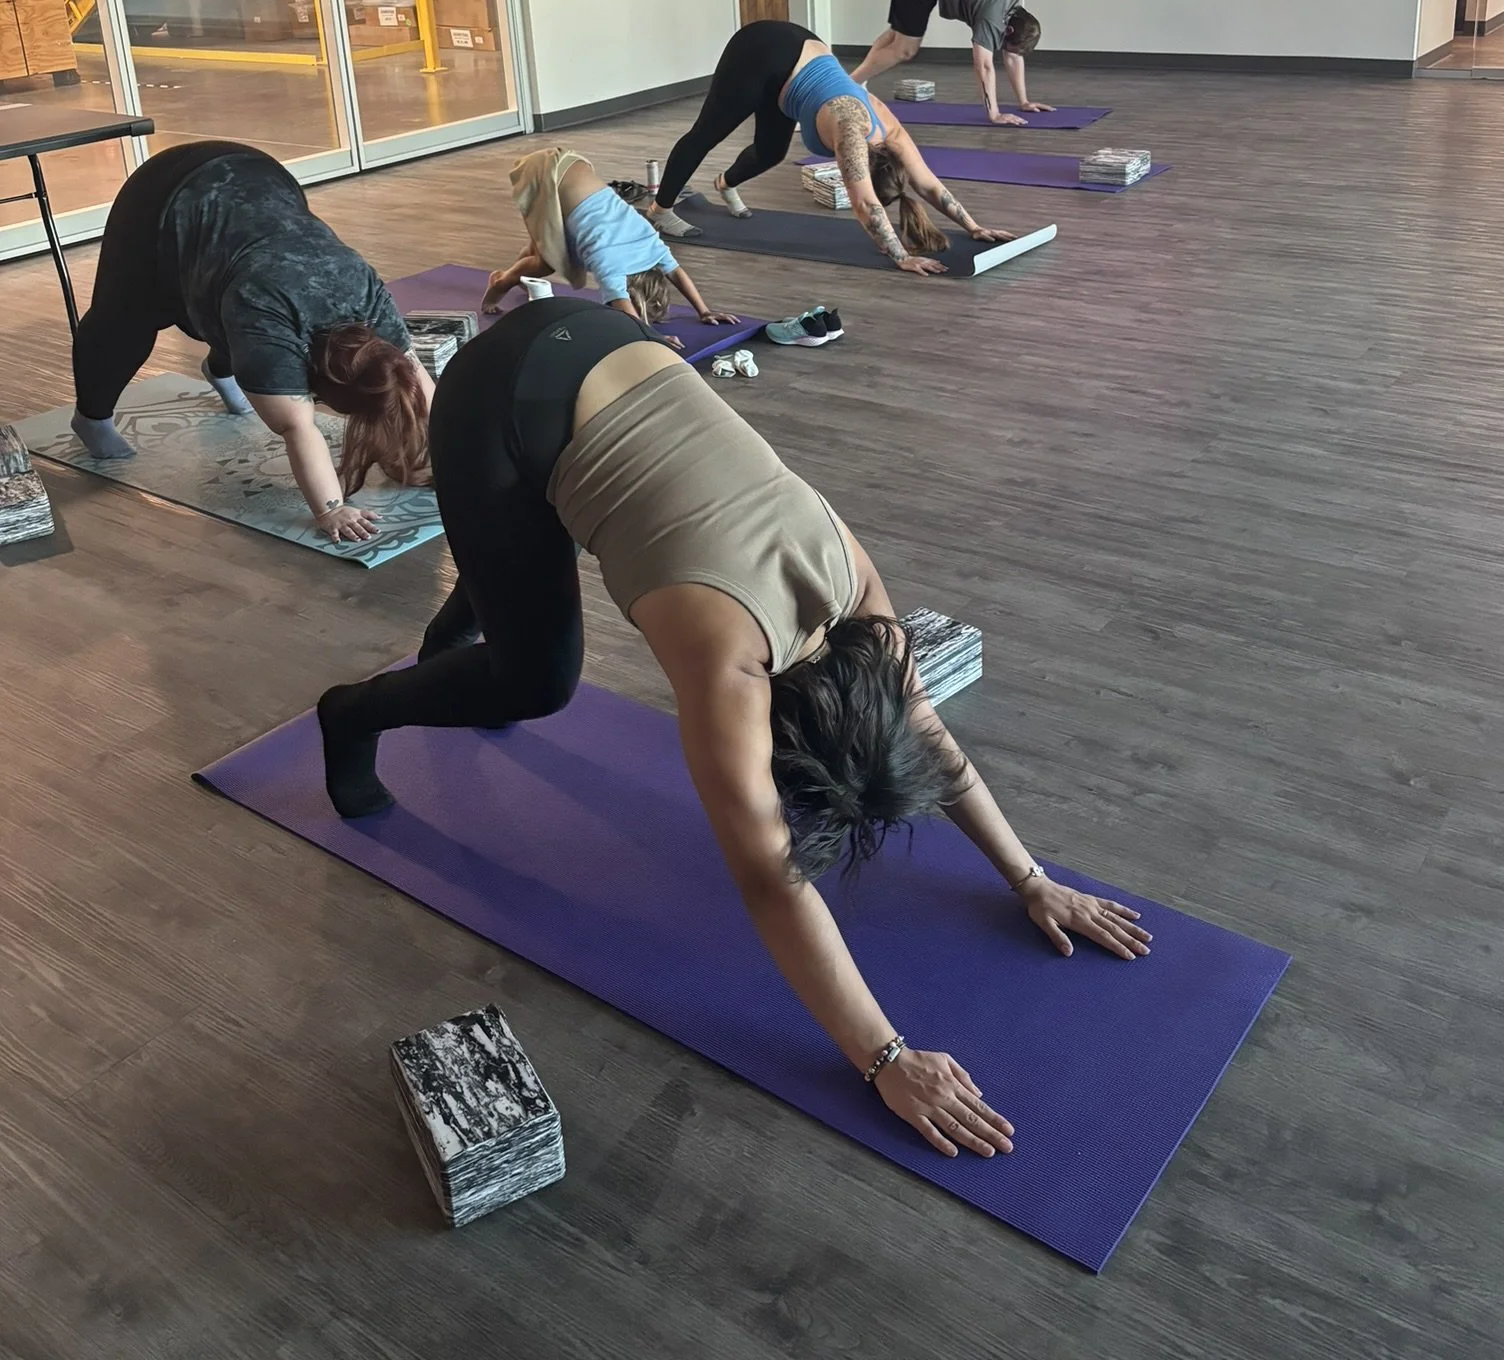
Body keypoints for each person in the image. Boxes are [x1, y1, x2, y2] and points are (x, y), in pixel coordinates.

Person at [316, 297, 1151, 1157]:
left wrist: (1030, 878)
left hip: (599, 339)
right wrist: (885, 1058)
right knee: (535, 679)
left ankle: (495, 583)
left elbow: (923, 725)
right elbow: (768, 877)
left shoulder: (861, 604)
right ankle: (354, 710)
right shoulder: (726, 669)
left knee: (526, 581)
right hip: (497, 398)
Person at [70, 141, 432, 544]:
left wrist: (447, 460)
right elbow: (298, 427)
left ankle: (222, 371)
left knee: (231, 306)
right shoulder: (265, 321)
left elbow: (417, 382)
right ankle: (92, 418)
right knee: (125, 319)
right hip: (162, 196)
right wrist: (332, 509)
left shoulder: (369, 296)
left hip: (262, 184)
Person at [648, 20, 1015, 278]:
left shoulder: (893, 133)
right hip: (760, 51)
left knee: (771, 151)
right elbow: (865, 204)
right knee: (707, 134)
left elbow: (929, 185)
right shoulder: (852, 134)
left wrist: (973, 226)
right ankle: (660, 209)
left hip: (797, 57)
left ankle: (726, 184)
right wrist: (901, 257)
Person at [479, 145, 737, 349]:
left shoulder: (650, 245)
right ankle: (501, 282)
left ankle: (525, 278)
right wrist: (651, 337)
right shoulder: (610, 264)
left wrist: (703, 311)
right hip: (547, 176)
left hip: (572, 163)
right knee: (548, 260)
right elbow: (620, 302)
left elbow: (677, 273)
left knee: (549, 245)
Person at [851, 0, 1051, 127]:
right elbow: (983, 66)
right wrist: (994, 114)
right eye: (1008, 46)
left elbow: (1013, 57)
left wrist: (1024, 102)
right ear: (1009, 29)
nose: (1007, 51)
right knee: (905, 49)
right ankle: (849, 86)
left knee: (897, 35)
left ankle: (856, 83)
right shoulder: (993, 13)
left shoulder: (1013, 5)